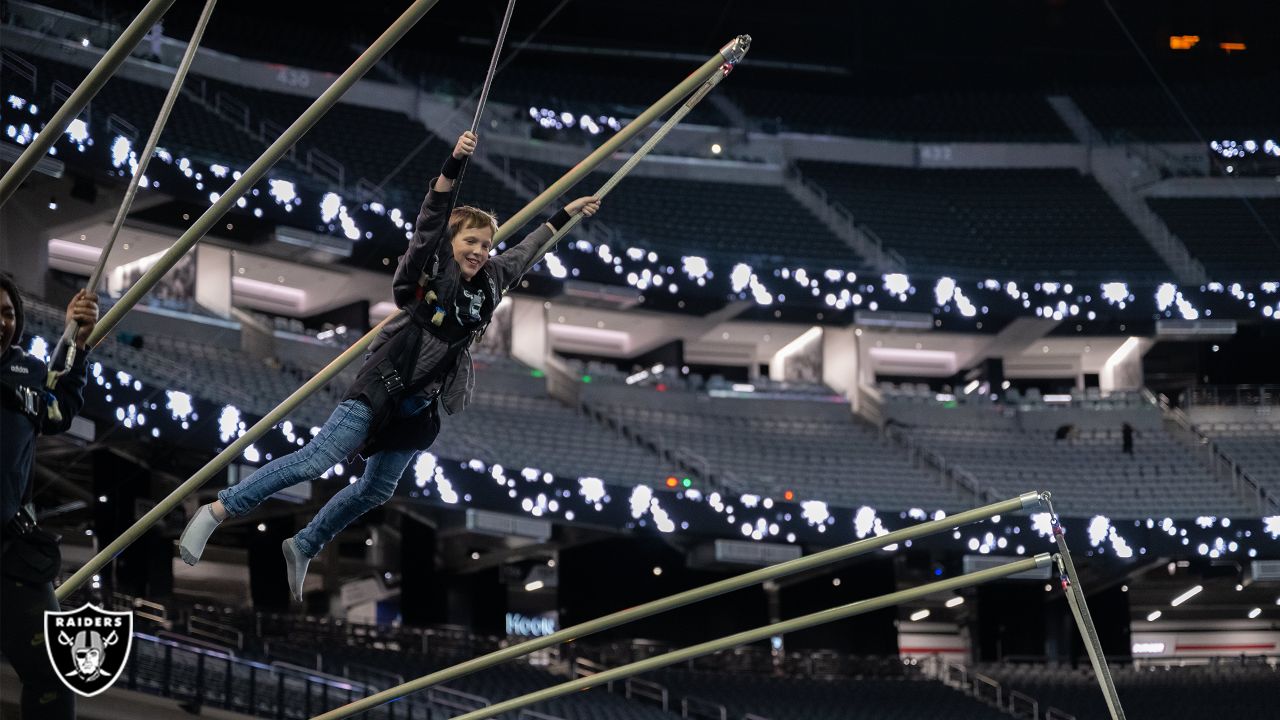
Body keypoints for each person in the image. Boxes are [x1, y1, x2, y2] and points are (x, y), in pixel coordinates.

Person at [179, 131, 601, 600]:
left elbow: (530, 250)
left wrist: (568, 214)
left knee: (376, 490)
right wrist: (453, 166)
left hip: (420, 405)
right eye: (472, 241)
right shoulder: (434, 263)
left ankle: (304, 544)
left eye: (487, 243)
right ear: (452, 242)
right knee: (319, 459)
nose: (481, 250)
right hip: (383, 385)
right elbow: (430, 220)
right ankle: (218, 510)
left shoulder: (494, 278)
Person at [1, 275, 99, 720]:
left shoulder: (25, 373)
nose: (2, 322)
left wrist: (76, 340)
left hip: (9, 551)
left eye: (7, 313)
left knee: (54, 674)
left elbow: (58, 405)